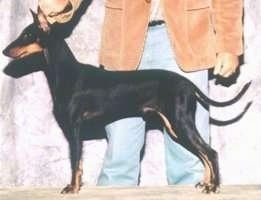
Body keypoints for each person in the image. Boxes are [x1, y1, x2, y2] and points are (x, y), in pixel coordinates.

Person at [38, 0, 243, 186]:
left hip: (188, 38)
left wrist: (229, 44)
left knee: (188, 161)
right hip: (123, 39)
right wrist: (61, 4)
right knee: (119, 157)